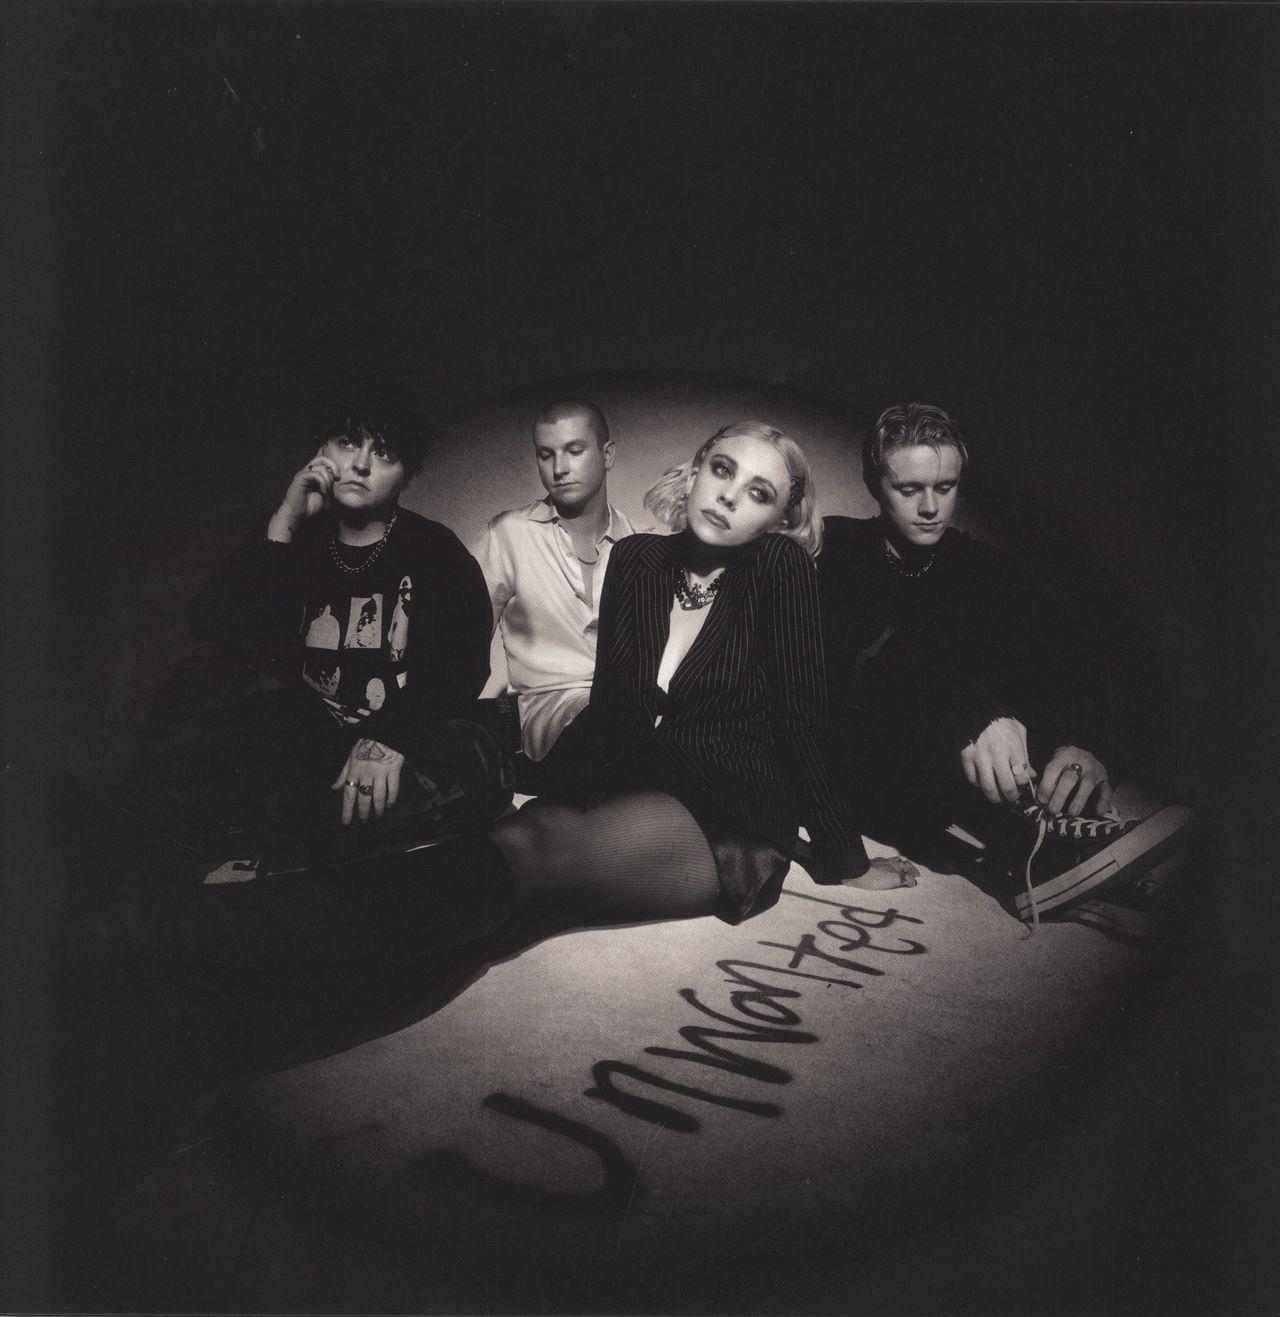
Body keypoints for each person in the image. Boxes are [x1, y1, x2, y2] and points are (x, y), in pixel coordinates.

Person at [817, 402, 1193, 921]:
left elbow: (1077, 657)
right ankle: (1039, 842)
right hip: (851, 761)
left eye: (945, 487)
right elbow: (866, 651)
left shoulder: (980, 567)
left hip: (939, 776)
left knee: (1032, 682)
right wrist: (969, 714)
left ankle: (1056, 828)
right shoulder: (832, 546)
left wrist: (1083, 743)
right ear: (873, 484)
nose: (930, 507)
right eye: (909, 489)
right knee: (933, 693)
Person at [132, 378, 507, 875]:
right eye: (348, 442)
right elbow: (214, 622)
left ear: (406, 475)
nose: (361, 464)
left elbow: (463, 669)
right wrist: (283, 525)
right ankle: (262, 837)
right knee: (212, 689)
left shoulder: (435, 552)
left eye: (384, 453)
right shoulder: (291, 534)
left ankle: (272, 844)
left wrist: (386, 740)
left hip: (406, 735)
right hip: (309, 738)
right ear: (321, 450)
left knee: (458, 764)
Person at [474, 399, 636, 777]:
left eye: (574, 451)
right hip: (545, 714)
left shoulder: (638, 544)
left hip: (627, 713)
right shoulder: (508, 534)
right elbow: (460, 645)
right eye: (546, 455)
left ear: (607, 455)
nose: (559, 469)